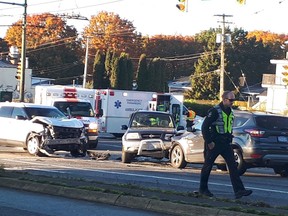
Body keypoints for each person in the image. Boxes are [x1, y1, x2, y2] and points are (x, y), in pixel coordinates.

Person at [198, 91, 252, 199]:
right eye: (231, 100)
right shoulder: (214, 111)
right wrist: (209, 142)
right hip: (215, 142)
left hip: (226, 143)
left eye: (233, 100)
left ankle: (239, 190)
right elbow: (204, 127)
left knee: (233, 166)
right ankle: (203, 189)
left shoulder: (230, 111)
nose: (233, 102)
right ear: (224, 99)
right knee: (207, 166)